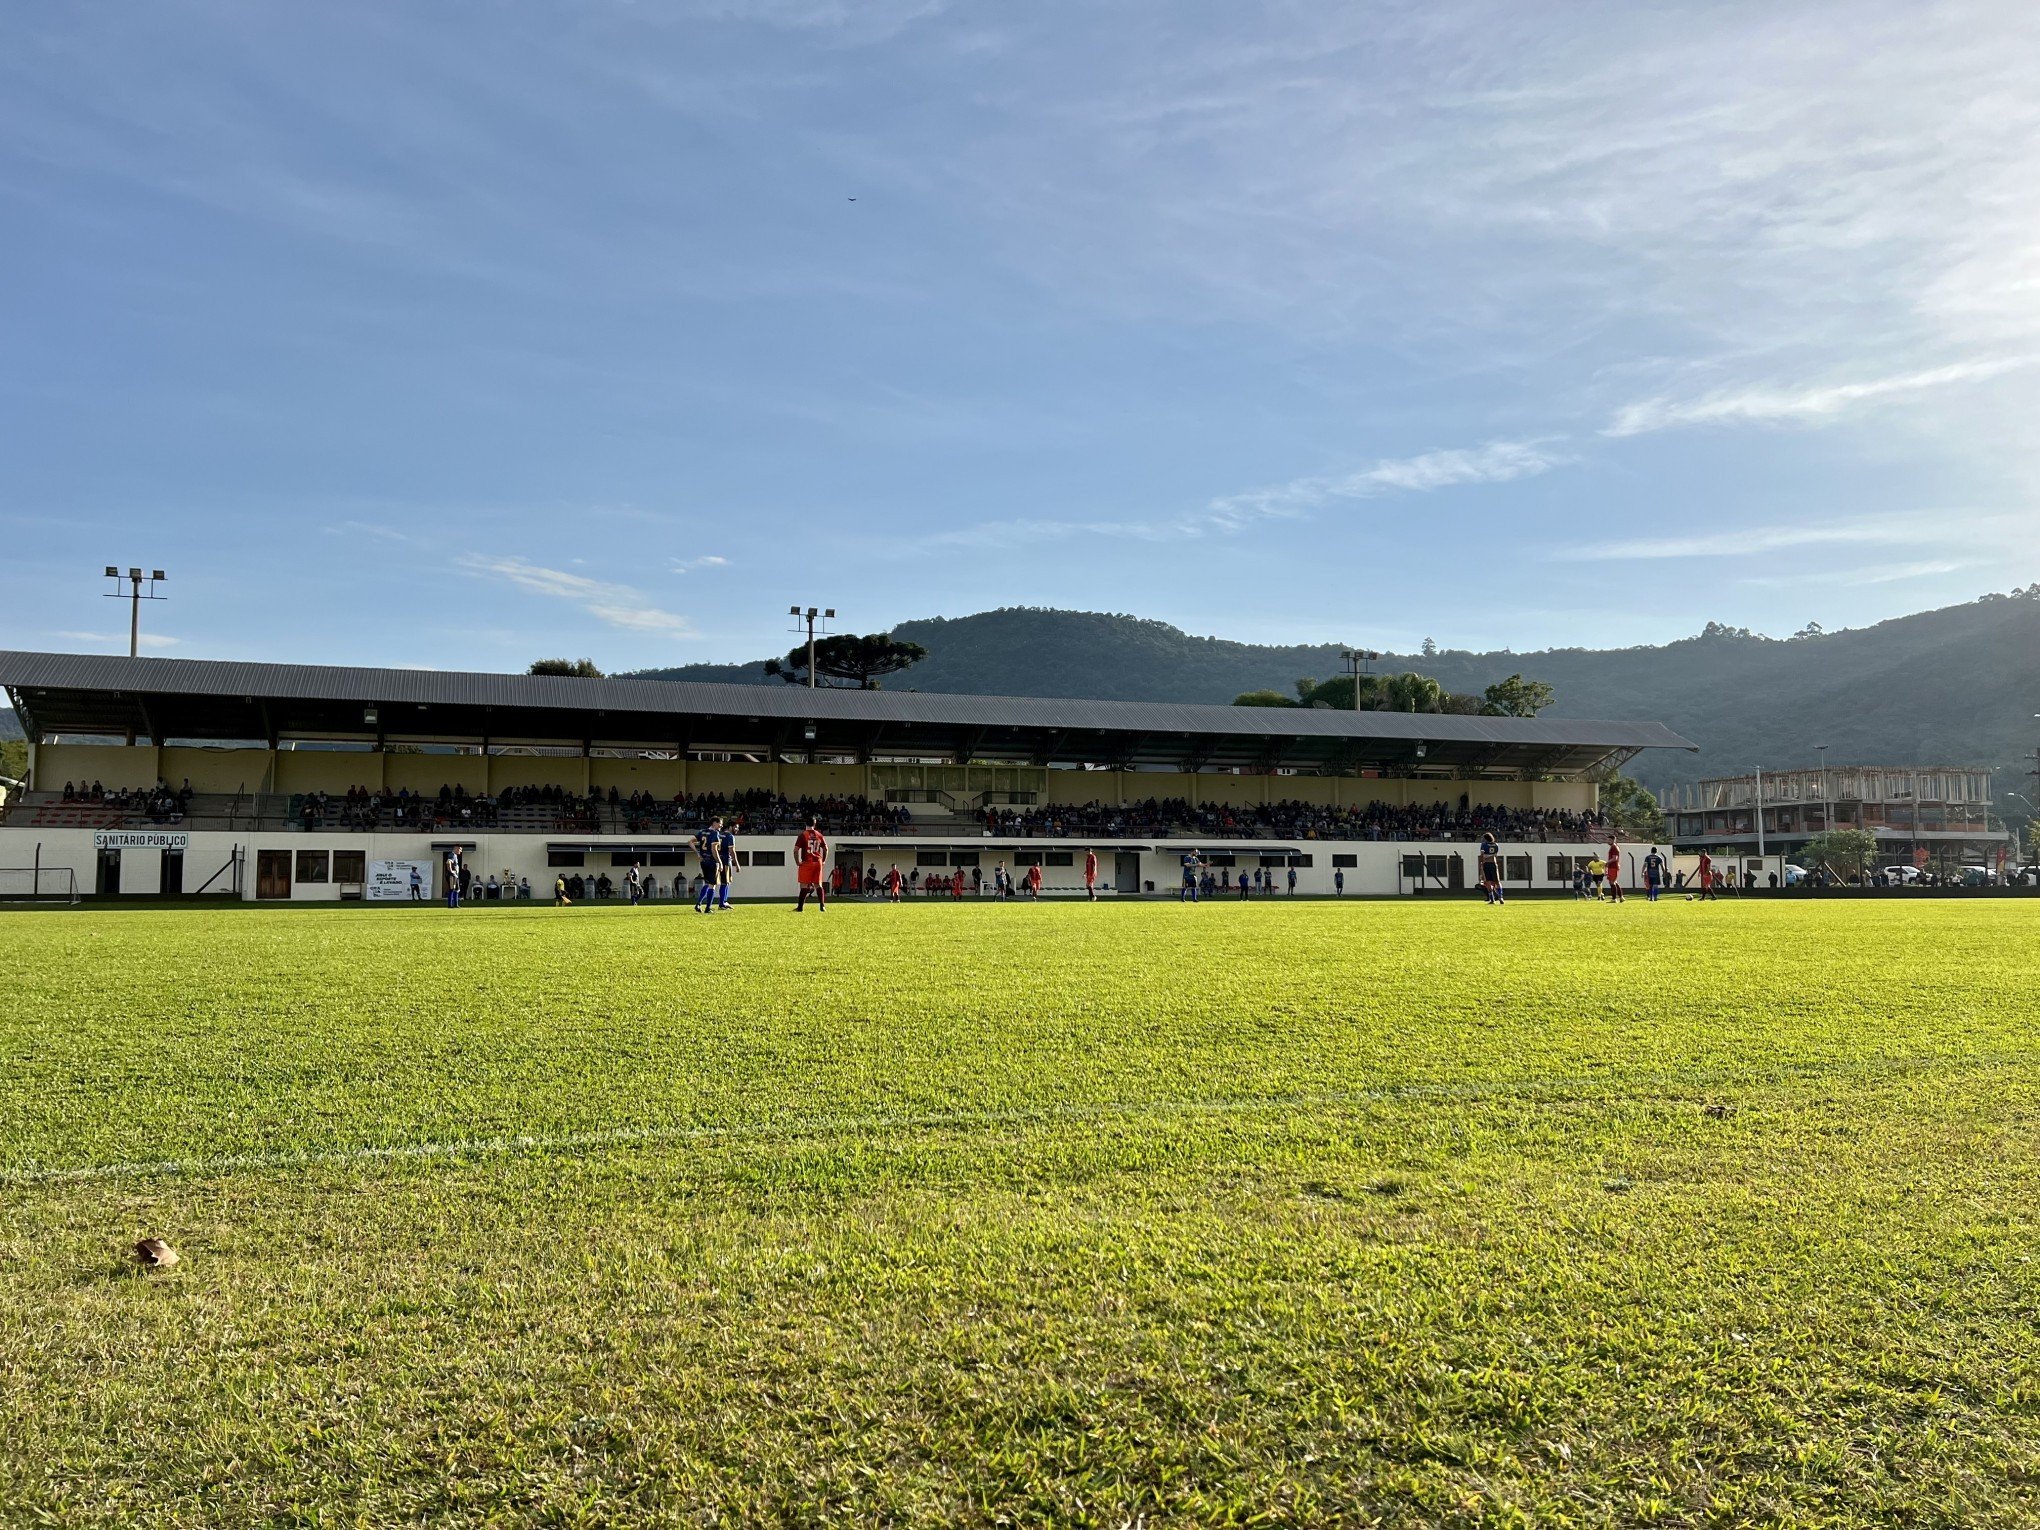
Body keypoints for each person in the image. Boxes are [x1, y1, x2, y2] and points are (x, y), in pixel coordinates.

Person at [794, 818, 828, 912]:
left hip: (807, 862)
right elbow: (826, 849)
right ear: (815, 824)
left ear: (806, 823)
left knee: (804, 885)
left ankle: (800, 907)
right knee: (818, 884)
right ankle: (822, 906)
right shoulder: (819, 835)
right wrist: (823, 860)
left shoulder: (803, 835)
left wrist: (797, 862)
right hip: (818, 862)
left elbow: (795, 850)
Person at [694, 821, 721, 913]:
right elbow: (714, 850)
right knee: (712, 885)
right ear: (714, 823)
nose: (721, 825)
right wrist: (719, 862)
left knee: (707, 883)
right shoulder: (715, 833)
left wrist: (698, 853)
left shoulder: (702, 832)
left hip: (703, 861)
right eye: (720, 823)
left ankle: (698, 903)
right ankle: (708, 908)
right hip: (711, 861)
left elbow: (690, 842)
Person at [1477, 832, 1503, 906]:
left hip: (1486, 864)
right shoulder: (1496, 845)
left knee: (1488, 882)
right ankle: (1501, 897)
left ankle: (1492, 899)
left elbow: (1482, 855)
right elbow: (1495, 856)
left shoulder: (1484, 845)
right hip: (1494, 864)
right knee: (1497, 881)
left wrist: (1482, 863)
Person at [716, 821, 738, 910]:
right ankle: (722, 903)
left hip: (719, 860)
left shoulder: (719, 834)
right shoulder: (730, 836)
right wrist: (737, 864)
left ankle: (724, 902)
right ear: (730, 827)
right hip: (725, 860)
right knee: (725, 882)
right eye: (736, 827)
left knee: (725, 882)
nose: (737, 829)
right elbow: (732, 851)